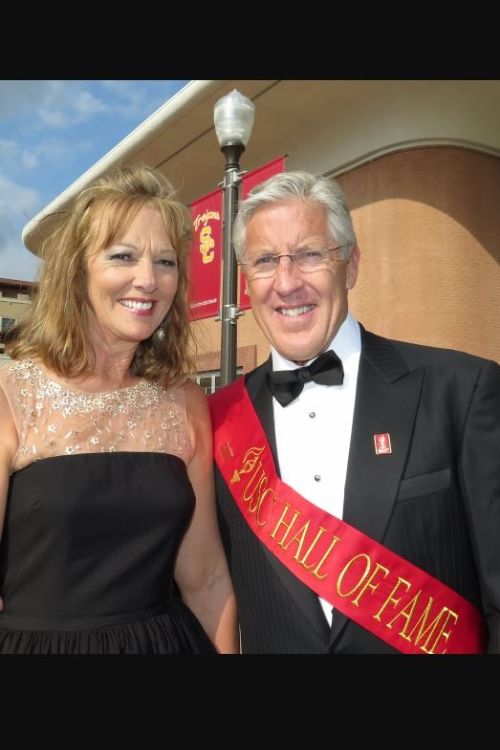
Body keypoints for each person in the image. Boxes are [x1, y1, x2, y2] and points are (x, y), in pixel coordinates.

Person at [210, 170, 500, 654]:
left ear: (350, 266)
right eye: (264, 261)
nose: (286, 282)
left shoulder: (461, 392)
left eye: (308, 254)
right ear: (246, 283)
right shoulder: (218, 423)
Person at [0, 165, 238, 654]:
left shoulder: (184, 402)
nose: (148, 280)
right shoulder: (11, 395)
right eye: (123, 256)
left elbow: (207, 579)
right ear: (78, 269)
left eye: (166, 262)